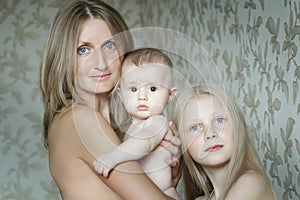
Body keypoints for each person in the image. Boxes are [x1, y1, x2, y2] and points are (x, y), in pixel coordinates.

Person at [39, 0, 181, 199]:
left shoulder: (117, 125)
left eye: (110, 46)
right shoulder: (81, 119)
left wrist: (168, 176)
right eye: (83, 50)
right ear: (64, 58)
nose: (101, 63)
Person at [93, 48, 180, 199]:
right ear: (120, 94)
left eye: (152, 88)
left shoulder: (157, 122)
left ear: (170, 95)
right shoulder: (131, 128)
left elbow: (145, 141)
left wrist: (113, 157)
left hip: (164, 194)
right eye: (133, 89)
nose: (142, 96)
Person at [172, 83, 277, 200]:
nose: (210, 134)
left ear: (237, 127)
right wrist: (169, 188)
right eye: (195, 127)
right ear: (181, 143)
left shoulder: (252, 183)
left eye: (219, 120)